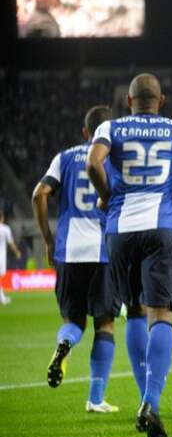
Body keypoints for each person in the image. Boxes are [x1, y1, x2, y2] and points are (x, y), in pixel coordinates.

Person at [86, 73, 172, 437]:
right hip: (160, 227)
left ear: (128, 101)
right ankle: (151, 402)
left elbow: (94, 164)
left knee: (134, 311)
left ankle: (143, 397)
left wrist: (108, 196)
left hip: (120, 231)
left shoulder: (110, 128)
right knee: (162, 315)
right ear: (162, 100)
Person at [32, 105, 123, 412]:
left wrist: (47, 240)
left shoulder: (64, 157)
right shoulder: (114, 158)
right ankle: (96, 398)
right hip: (102, 251)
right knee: (105, 325)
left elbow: (39, 194)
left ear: (85, 132)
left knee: (73, 321)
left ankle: (65, 345)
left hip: (68, 252)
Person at [0, 211, 22, 305]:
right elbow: (11, 243)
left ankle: (2, 298)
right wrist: (17, 252)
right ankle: (3, 299)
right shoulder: (5, 229)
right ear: (2, 218)